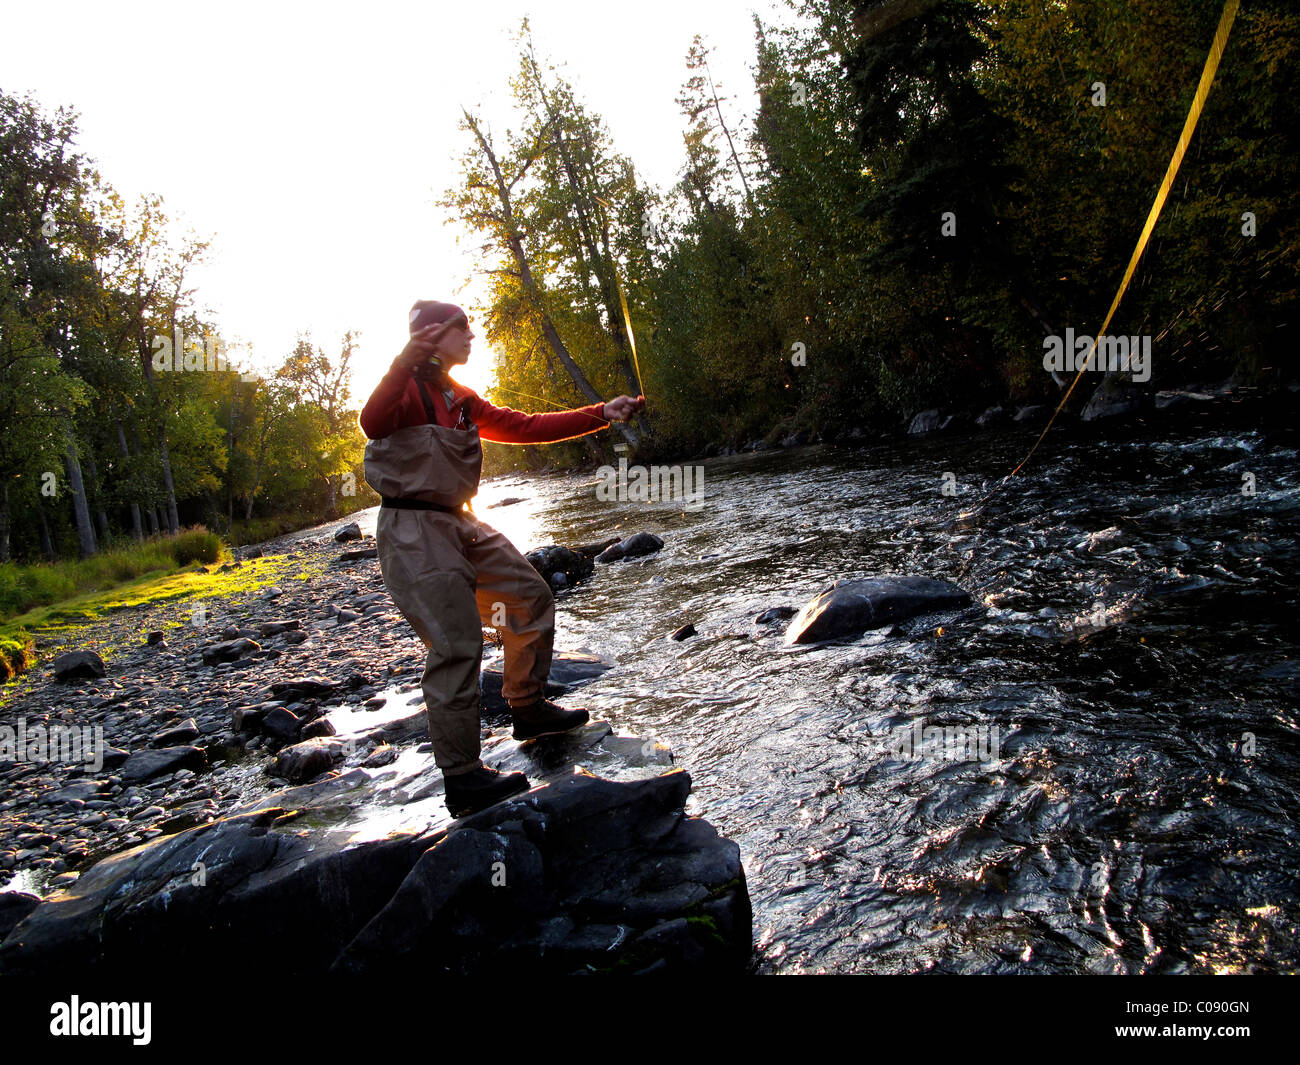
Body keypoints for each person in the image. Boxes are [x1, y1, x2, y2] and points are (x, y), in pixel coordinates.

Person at [359, 300, 645, 818]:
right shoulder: (402, 391)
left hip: (459, 521)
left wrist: (601, 413)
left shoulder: (462, 398)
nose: (472, 335)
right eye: (461, 328)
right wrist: (403, 362)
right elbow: (373, 422)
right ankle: (464, 778)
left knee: (529, 595)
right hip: (412, 531)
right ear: (431, 337)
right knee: (456, 645)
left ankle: (528, 709)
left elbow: (527, 426)